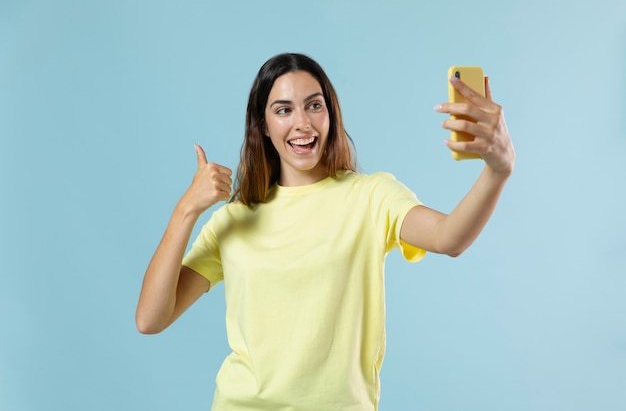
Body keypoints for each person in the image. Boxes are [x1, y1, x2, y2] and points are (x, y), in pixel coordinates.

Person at [136, 53, 515, 410]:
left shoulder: (371, 197)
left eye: (314, 105)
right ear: (263, 128)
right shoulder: (233, 220)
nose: (302, 123)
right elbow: (151, 319)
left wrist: (498, 169)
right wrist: (186, 210)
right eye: (283, 110)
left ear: (330, 114)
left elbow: (449, 238)